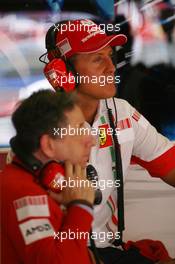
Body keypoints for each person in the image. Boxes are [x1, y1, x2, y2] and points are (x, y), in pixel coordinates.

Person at [42, 19, 175, 264]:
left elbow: (171, 164)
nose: (111, 68)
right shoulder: (39, 126)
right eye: (97, 59)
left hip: (109, 251)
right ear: (64, 72)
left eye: (110, 56)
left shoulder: (121, 113)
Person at [1, 90, 96, 264]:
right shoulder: (24, 195)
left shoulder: (42, 181)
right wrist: (81, 209)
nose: (92, 140)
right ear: (48, 146)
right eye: (79, 129)